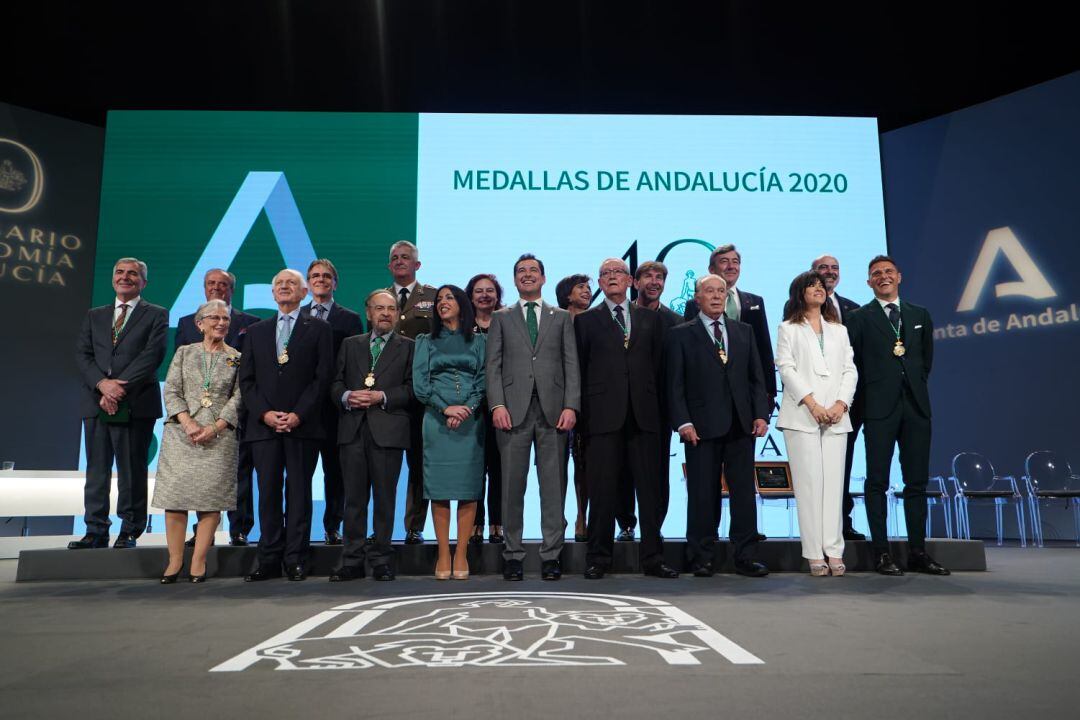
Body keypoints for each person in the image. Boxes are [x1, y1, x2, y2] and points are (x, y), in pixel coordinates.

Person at [847, 255, 950, 576]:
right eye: (876, 274)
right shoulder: (858, 318)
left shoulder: (920, 315)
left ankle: (918, 552)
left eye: (888, 272)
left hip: (916, 407)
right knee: (877, 481)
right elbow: (854, 366)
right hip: (878, 408)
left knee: (916, 482)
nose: (883, 277)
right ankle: (881, 553)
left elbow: (925, 363)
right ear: (869, 282)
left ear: (899, 277)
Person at [575, 258, 678, 579]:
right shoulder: (586, 321)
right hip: (602, 418)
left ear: (630, 280)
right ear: (600, 283)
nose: (611, 278)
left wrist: (666, 414)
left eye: (617, 273)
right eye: (605, 274)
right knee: (602, 491)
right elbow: (578, 370)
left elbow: (663, 370)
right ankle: (598, 557)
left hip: (646, 416)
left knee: (650, 491)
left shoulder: (651, 319)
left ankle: (653, 557)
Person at [666, 274, 770, 577]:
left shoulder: (743, 331)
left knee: (743, 493)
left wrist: (761, 414)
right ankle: (701, 556)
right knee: (701, 493)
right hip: (699, 427)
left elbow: (756, 378)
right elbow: (675, 385)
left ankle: (746, 555)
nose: (715, 296)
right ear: (697, 298)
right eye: (708, 291)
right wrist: (683, 421)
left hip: (740, 424)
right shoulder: (680, 334)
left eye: (720, 291)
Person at [487, 254, 581, 581]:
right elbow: (493, 366)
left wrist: (572, 406)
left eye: (533, 271)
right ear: (514, 280)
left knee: (553, 488)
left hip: (554, 413)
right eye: (521, 272)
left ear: (543, 278)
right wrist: (497, 405)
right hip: (511, 414)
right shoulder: (501, 317)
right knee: (512, 487)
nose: (527, 275)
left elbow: (572, 365)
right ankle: (512, 555)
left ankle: (551, 555)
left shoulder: (561, 317)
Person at [239, 269, 333, 581]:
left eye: (291, 283)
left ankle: (296, 558)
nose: (284, 287)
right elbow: (247, 381)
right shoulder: (255, 331)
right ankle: (267, 558)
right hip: (263, 427)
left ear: (304, 292)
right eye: (278, 283)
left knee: (299, 493)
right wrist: (265, 414)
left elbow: (322, 378)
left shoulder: (320, 329)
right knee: (266, 493)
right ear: (272, 293)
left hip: (302, 426)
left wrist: (299, 414)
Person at [70, 258, 167, 550]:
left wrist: (117, 388)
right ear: (113, 279)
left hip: (135, 402)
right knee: (96, 472)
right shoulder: (94, 315)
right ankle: (95, 530)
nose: (125, 277)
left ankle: (130, 529)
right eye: (120, 273)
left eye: (133, 274)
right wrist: (102, 385)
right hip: (96, 402)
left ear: (143, 282)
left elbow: (153, 356)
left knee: (131, 470)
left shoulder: (156, 314)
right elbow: (83, 355)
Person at [328, 290, 415, 582]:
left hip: (388, 432)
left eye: (391, 309)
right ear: (368, 313)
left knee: (385, 499)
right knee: (353, 500)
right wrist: (347, 396)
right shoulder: (350, 345)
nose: (386, 313)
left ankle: (382, 560)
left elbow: (413, 389)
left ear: (398, 314)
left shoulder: (409, 347)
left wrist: (383, 396)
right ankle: (351, 560)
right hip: (352, 430)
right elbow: (335, 383)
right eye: (380, 308)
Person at [153, 299, 242, 583]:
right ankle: (175, 561)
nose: (220, 323)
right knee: (175, 499)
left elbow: (239, 397)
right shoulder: (184, 352)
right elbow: (172, 391)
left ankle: (199, 561)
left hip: (219, 436)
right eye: (213, 317)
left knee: (210, 501)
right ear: (199, 323)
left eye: (225, 318)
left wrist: (215, 427)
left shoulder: (236, 357)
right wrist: (188, 422)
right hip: (181, 434)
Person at [775, 272, 857, 576]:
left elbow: (850, 370)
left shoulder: (839, 330)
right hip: (802, 416)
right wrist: (812, 403)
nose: (818, 290)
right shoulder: (788, 328)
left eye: (821, 286)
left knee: (834, 487)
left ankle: (834, 551)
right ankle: (813, 554)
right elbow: (786, 368)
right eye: (812, 286)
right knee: (810, 487)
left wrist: (840, 404)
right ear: (799, 292)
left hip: (836, 416)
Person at [174, 268, 259, 547]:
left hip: (237, 412)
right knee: (202, 474)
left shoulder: (252, 323)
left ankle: (240, 529)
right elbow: (180, 376)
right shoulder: (187, 323)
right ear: (203, 288)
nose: (216, 288)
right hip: (197, 415)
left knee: (241, 471)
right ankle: (203, 533)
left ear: (232, 290)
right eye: (211, 283)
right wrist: (188, 418)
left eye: (223, 284)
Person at [412, 285, 487, 580]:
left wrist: (466, 408)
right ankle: (443, 551)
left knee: (468, 488)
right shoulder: (425, 340)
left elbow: (483, 381)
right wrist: (446, 409)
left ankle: (462, 553)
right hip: (436, 420)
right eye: (439, 299)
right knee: (440, 489)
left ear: (462, 304)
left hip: (470, 422)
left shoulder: (479, 341)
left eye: (449, 298)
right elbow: (420, 384)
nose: (443, 303)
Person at [302, 258, 364, 546]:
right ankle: (299, 529)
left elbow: (354, 364)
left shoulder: (349, 319)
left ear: (335, 282)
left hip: (336, 410)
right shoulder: (297, 316)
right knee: (300, 475)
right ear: (308, 282)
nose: (321, 279)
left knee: (335, 473)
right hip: (302, 411)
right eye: (315, 275)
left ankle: (332, 527)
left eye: (327, 276)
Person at [811, 254, 866, 542]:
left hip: (847, 404)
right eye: (823, 268)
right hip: (815, 404)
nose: (829, 272)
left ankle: (842, 523)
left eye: (835, 268)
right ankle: (817, 526)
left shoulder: (853, 310)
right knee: (816, 467)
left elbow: (855, 361)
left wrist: (845, 399)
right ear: (813, 273)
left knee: (843, 465)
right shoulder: (799, 308)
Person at [386, 240, 437, 544]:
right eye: (395, 258)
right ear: (389, 265)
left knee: (419, 463)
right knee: (384, 465)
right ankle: (381, 527)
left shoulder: (431, 296)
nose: (400, 261)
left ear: (417, 265)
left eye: (406, 257)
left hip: (420, 392)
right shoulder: (379, 299)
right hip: (389, 391)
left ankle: (414, 526)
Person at [630, 260, 682, 534]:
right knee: (621, 472)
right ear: (635, 283)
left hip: (658, 411)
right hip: (621, 407)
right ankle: (626, 524)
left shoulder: (676, 322)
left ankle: (655, 527)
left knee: (658, 473)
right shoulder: (621, 317)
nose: (654, 281)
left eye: (659, 277)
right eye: (648, 276)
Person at [466, 273, 505, 545]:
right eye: (478, 291)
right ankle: (474, 523)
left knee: (500, 467)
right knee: (474, 469)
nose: (484, 295)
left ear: (497, 295)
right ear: (470, 297)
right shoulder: (462, 327)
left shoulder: (507, 323)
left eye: (489, 290)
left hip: (503, 406)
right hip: (471, 408)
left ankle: (498, 524)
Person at [555, 273, 592, 542]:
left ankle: (583, 516)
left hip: (589, 402)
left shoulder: (595, 322)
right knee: (556, 466)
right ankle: (557, 519)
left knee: (585, 465)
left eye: (589, 287)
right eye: (581, 287)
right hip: (556, 402)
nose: (587, 291)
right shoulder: (555, 321)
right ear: (567, 294)